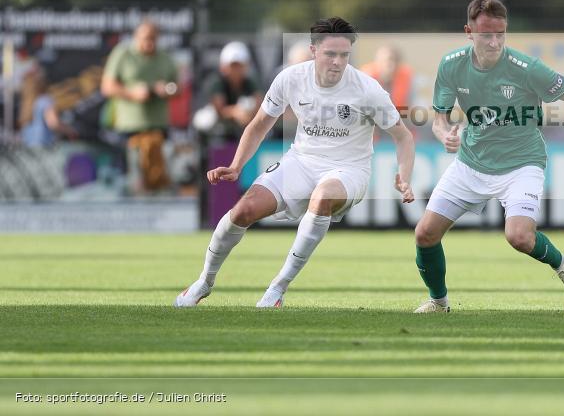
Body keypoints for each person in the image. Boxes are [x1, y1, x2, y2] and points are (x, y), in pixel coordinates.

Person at [412, 0, 564, 313]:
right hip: (471, 163)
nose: (494, 42)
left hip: (521, 163)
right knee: (425, 234)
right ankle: (439, 302)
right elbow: (439, 120)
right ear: (469, 32)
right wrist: (445, 133)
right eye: (486, 35)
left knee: (519, 237)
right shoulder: (451, 65)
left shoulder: (526, 68)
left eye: (500, 34)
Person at [174, 17, 415, 308]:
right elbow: (259, 125)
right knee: (242, 211)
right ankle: (204, 282)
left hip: (349, 169)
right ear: (314, 50)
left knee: (322, 197)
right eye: (330, 54)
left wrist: (404, 176)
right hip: (300, 162)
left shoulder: (368, 89)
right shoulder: (290, 78)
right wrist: (236, 166)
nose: (338, 62)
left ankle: (277, 289)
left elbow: (403, 137)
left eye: (344, 55)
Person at [100, 20, 179, 192]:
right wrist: (132, 93)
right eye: (145, 38)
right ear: (136, 36)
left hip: (158, 130)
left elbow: (177, 87)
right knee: (132, 181)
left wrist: (166, 89)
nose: (149, 43)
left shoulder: (165, 58)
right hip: (130, 130)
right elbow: (106, 87)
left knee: (159, 180)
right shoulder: (123, 54)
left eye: (153, 39)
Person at [202, 41, 262, 140]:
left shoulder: (250, 83)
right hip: (219, 131)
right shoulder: (217, 83)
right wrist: (235, 112)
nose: (236, 70)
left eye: (239, 65)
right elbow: (219, 110)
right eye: (233, 66)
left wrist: (249, 112)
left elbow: (259, 102)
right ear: (224, 66)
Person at [18, 66, 77, 147]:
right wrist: (70, 131)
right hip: (43, 145)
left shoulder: (26, 104)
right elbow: (53, 123)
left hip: (28, 146)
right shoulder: (45, 100)